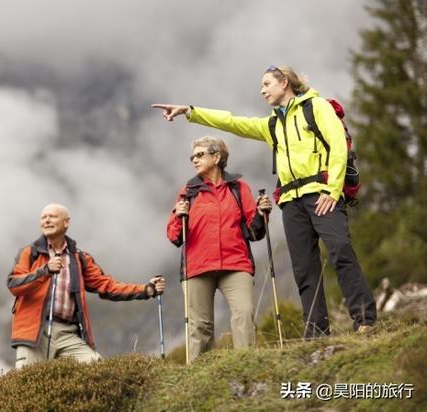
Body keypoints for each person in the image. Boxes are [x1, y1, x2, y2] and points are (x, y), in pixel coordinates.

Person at [152, 65, 377, 338]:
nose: (262, 90)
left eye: (267, 84)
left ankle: (364, 319)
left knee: (341, 251)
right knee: (304, 268)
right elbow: (232, 122)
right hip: (292, 202)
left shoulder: (316, 107)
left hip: (322, 193)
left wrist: (332, 190)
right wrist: (190, 111)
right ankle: (316, 332)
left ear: (284, 82)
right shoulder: (272, 124)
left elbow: (338, 147)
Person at [8, 203, 166, 368]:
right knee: (28, 382)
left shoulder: (79, 258)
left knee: (97, 368)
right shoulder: (29, 253)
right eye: (43, 217)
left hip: (67, 333)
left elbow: (107, 285)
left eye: (52, 217)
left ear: (66, 222)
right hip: (34, 333)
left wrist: (146, 289)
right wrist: (44, 271)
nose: (46, 221)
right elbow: (14, 285)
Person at [167, 136, 271, 362]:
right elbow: (174, 236)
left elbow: (255, 232)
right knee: (200, 326)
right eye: (192, 156)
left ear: (217, 157)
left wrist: (263, 214)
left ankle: (247, 365)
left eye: (200, 154)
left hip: (236, 264)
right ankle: (197, 378)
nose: (194, 159)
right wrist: (178, 215)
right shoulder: (189, 191)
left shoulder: (238, 188)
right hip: (197, 267)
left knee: (244, 312)